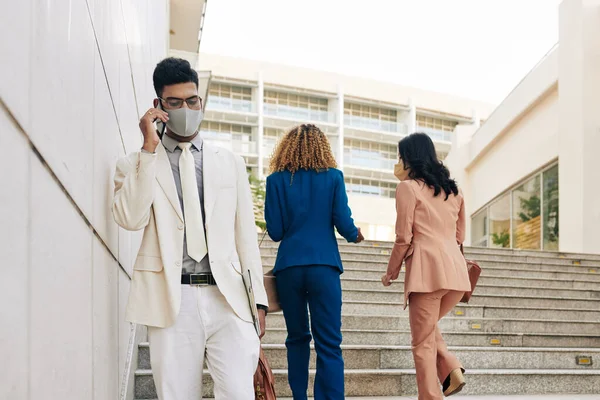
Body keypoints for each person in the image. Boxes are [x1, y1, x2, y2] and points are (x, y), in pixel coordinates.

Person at [112, 57, 268, 400]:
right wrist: (149, 149)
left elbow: (245, 238)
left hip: (229, 298)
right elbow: (129, 218)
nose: (187, 108)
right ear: (158, 106)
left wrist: (258, 300)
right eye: (175, 102)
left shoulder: (230, 162)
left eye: (192, 100)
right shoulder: (135, 164)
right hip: (172, 300)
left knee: (239, 394)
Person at [265, 124, 364, 400]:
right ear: (322, 147)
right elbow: (343, 221)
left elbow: (275, 231)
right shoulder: (333, 177)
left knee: (296, 338)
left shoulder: (275, 180)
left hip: (290, 268)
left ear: (286, 148)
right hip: (324, 266)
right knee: (329, 342)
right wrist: (355, 235)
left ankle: (299, 397)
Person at [382, 133, 471, 400]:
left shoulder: (407, 188)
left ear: (409, 158)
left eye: (400, 157)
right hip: (456, 276)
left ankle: (431, 396)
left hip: (427, 275)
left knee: (421, 342)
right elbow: (459, 237)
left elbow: (403, 237)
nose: (399, 163)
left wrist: (391, 272)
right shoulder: (454, 191)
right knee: (428, 329)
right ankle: (451, 368)